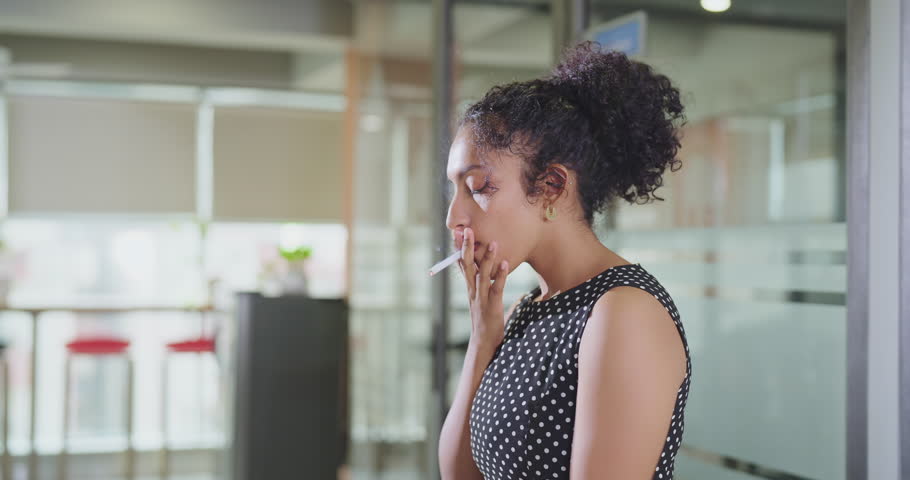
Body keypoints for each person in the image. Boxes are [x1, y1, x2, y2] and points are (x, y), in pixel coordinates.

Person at [438, 41, 691, 480]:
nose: (454, 218)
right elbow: (461, 474)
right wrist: (482, 340)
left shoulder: (622, 313)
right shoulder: (524, 311)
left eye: (478, 187)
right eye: (454, 190)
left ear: (552, 186)